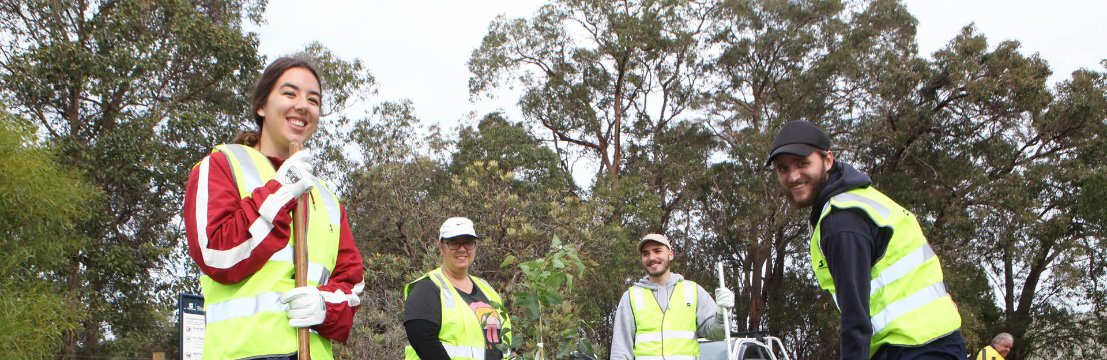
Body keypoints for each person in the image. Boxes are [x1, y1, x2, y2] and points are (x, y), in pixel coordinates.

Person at [184, 57, 364, 360]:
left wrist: (324, 306)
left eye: (313, 99)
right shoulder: (222, 165)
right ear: (262, 106)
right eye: (289, 93)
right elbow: (216, 253)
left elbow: (352, 283)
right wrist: (280, 193)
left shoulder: (328, 200)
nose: (303, 105)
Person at [766, 120, 967, 359]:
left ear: (828, 160)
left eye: (802, 163)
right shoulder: (858, 199)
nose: (793, 176)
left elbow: (855, 317)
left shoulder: (842, 221)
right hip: (927, 343)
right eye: (783, 169)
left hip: (915, 348)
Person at [610, 233, 736, 360]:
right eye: (645, 253)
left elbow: (717, 334)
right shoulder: (631, 297)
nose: (651, 257)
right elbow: (620, 350)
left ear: (671, 254)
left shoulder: (692, 291)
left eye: (657, 251)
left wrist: (722, 312)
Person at [403, 217, 514, 360]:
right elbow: (423, 341)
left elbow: (505, 340)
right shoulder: (427, 288)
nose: (462, 249)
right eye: (453, 243)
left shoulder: (487, 290)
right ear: (441, 247)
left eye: (468, 243)